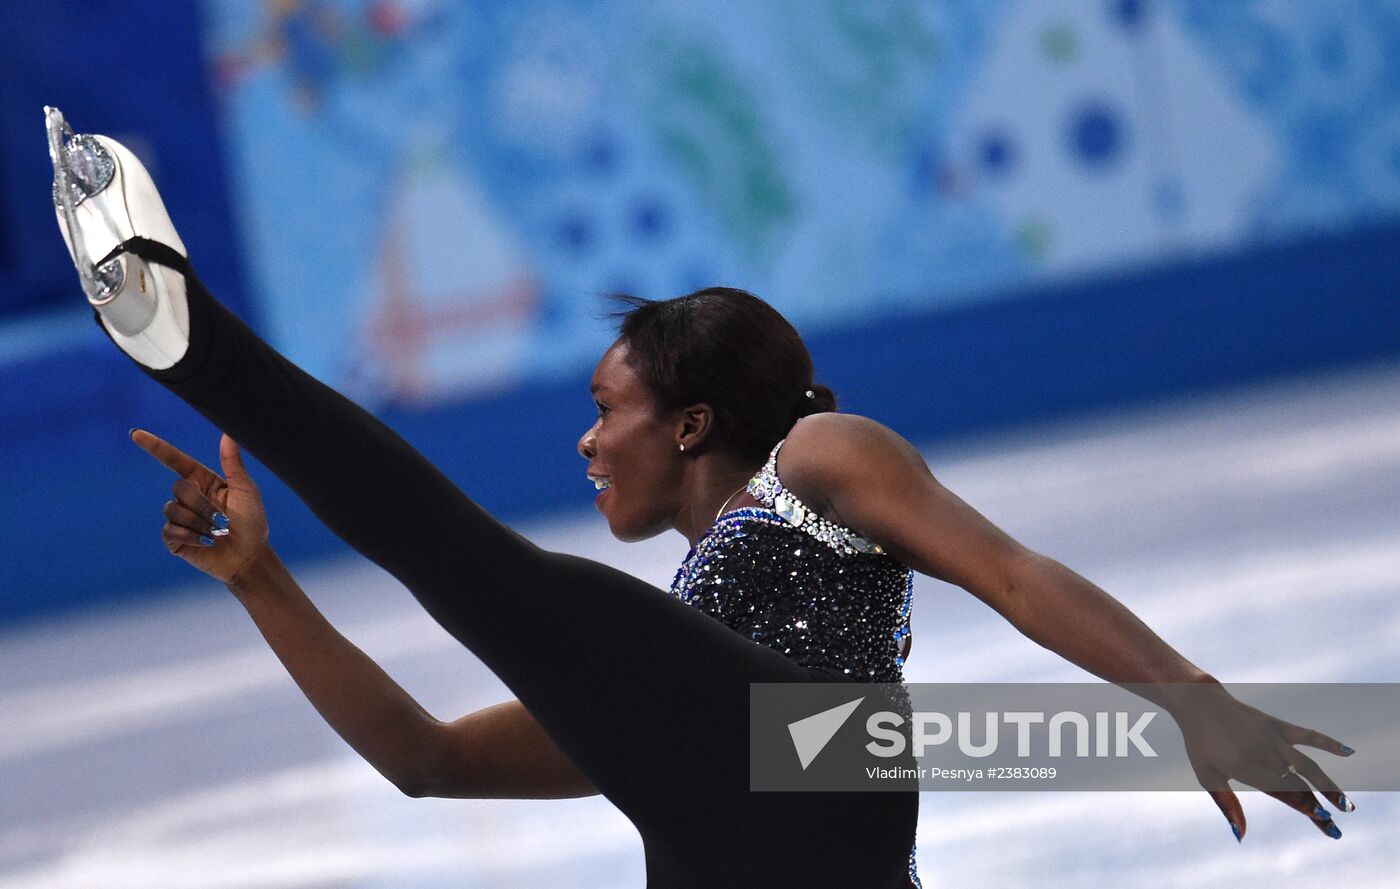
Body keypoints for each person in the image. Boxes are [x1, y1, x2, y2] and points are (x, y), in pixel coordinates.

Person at [45, 108, 1355, 888]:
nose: (584, 441)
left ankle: (200, 345)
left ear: (688, 423)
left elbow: (1009, 572)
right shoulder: (656, 695)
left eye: (606, 409)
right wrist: (262, 581)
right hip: (749, 820)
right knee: (535, 606)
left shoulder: (818, 459)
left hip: (825, 763)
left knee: (513, 581)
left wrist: (1186, 700)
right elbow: (424, 759)